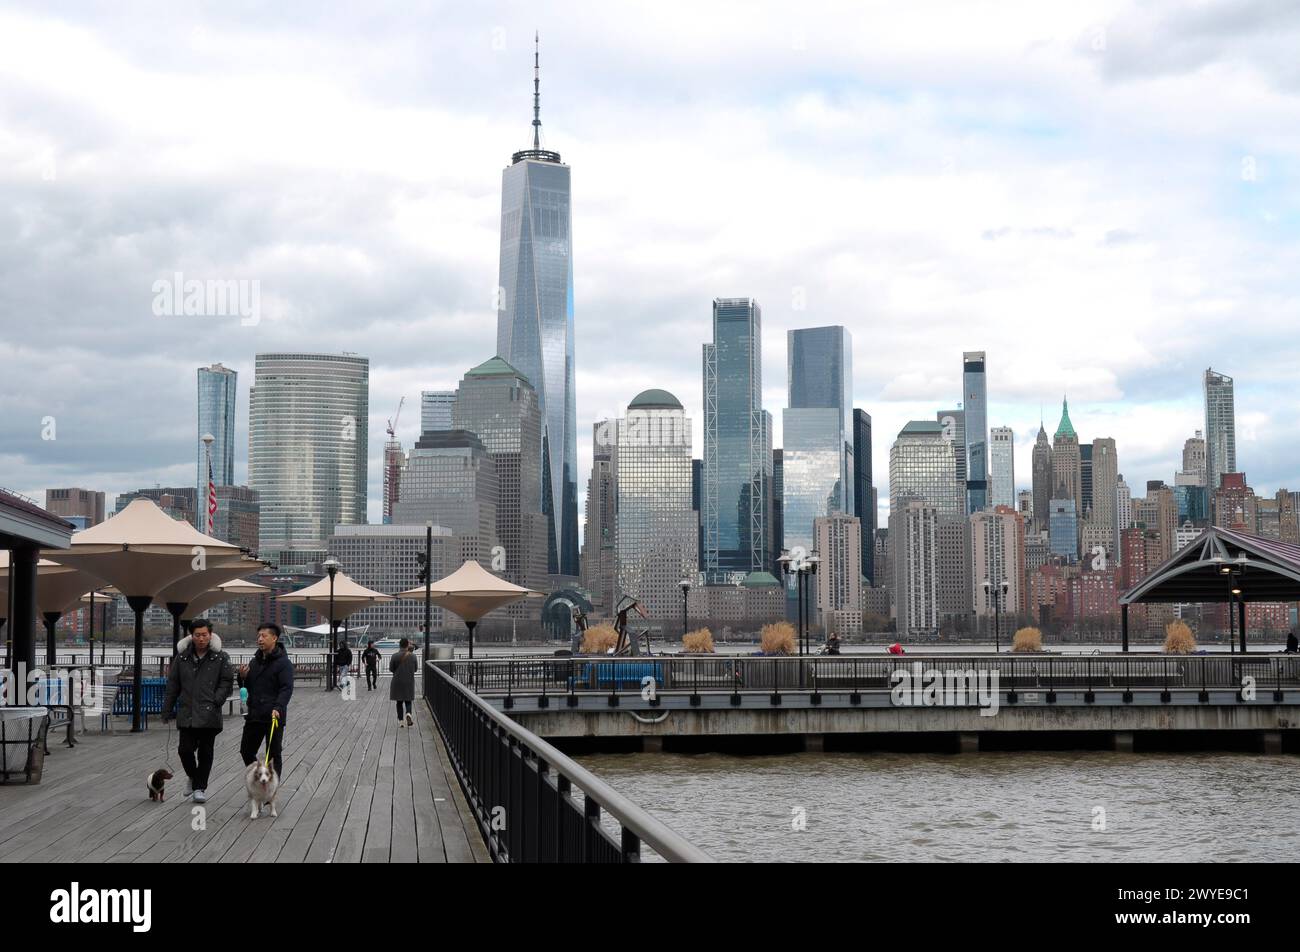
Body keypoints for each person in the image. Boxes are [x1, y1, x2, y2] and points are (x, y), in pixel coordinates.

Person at [161, 619, 234, 805]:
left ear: (210, 635)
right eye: (197, 635)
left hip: (210, 713)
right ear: (191, 636)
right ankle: (193, 778)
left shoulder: (220, 657)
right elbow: (173, 685)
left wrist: (216, 700)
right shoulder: (182, 658)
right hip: (187, 712)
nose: (201, 638)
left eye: (204, 635)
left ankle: (200, 788)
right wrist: (167, 709)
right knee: (184, 750)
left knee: (205, 752)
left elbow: (226, 682)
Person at [238, 622, 294, 778]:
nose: (260, 639)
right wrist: (242, 677)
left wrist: (278, 706)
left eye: (264, 636)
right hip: (254, 714)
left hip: (273, 714)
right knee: (246, 751)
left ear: (274, 638)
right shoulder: (254, 662)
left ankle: (272, 789)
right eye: (258, 636)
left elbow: (286, 688)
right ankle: (260, 775)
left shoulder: (284, 663)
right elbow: (247, 687)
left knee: (273, 754)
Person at [389, 637, 418, 727]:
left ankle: (401, 721)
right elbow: (416, 669)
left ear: (399, 645)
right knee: (408, 700)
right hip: (409, 681)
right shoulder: (413, 656)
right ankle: (408, 713)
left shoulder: (394, 656)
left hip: (397, 681)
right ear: (407, 645)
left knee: (399, 702)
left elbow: (391, 669)